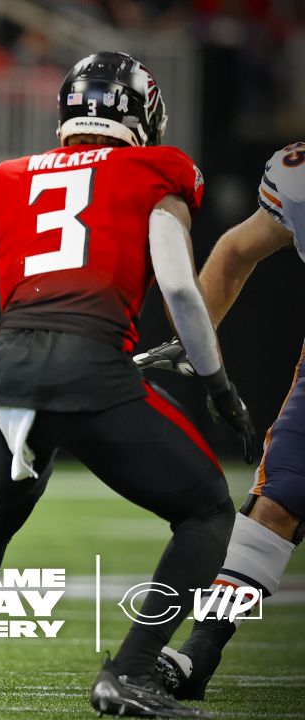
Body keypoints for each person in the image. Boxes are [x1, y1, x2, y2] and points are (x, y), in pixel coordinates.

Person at [0, 51, 258, 716]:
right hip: (92, 365)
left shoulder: (6, 179)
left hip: (8, 370)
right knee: (208, 510)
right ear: (143, 113)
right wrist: (220, 388)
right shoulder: (158, 170)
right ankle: (130, 671)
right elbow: (180, 285)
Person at [137, 142, 305, 701]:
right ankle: (197, 656)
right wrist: (194, 336)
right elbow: (237, 249)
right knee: (276, 501)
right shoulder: (297, 174)